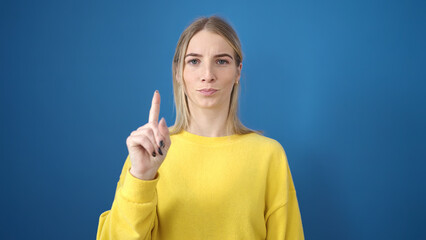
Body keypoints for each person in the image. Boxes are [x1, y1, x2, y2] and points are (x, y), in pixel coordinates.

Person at [97, 16, 304, 240]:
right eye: (194, 61)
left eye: (221, 61)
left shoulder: (269, 156)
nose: (208, 75)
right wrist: (141, 178)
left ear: (238, 72)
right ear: (178, 72)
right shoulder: (148, 153)